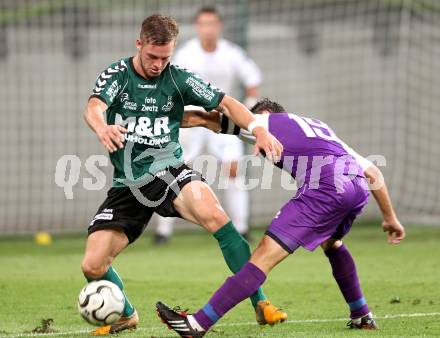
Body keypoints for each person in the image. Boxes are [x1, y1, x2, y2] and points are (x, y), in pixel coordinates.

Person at [81, 15, 285, 335]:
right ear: (139, 44)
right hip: (128, 184)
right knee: (92, 266)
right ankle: (127, 314)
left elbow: (227, 104)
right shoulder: (117, 76)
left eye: (165, 58)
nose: (158, 65)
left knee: (217, 218)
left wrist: (258, 130)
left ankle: (260, 303)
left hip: (170, 170)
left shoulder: (179, 78)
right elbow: (93, 106)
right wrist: (102, 126)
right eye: (152, 57)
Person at [156, 98, 406, 337]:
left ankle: (198, 324)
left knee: (263, 255)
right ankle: (361, 314)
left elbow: (202, 118)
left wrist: (149, 119)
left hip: (326, 186)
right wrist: (390, 217)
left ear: (262, 114)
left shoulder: (261, 122)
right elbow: (373, 172)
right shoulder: (318, 127)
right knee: (331, 241)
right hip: (356, 185)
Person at [154, 6, 262, 243]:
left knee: (234, 170)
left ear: (219, 26)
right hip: (191, 120)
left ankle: (241, 228)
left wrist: (248, 107)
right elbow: (169, 83)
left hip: (221, 121)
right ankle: (163, 231)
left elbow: (253, 80)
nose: (208, 29)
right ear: (197, 27)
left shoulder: (232, 53)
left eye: (212, 23)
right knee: (173, 169)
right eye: (203, 24)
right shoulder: (186, 53)